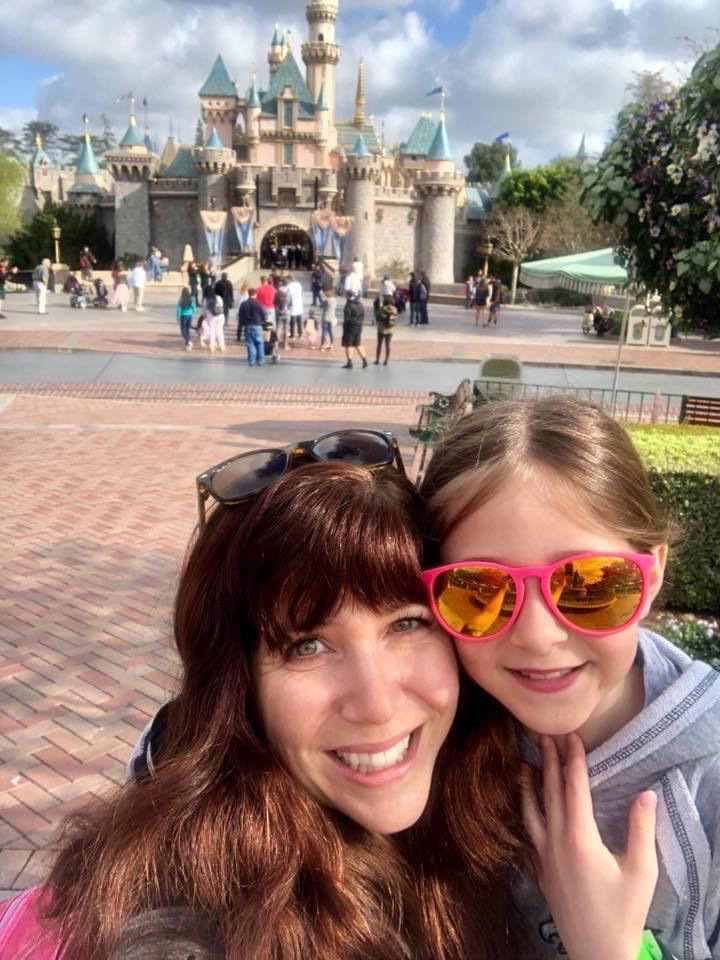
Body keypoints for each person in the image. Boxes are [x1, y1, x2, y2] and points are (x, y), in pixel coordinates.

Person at [0, 444, 663, 960]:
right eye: (306, 646)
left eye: (408, 624)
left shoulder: (495, 814)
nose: (374, 704)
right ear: (240, 685)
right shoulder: (174, 919)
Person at [419, 395, 720, 960]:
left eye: (589, 585)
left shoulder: (711, 775)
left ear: (650, 577)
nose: (536, 635)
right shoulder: (431, 726)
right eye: (479, 591)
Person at [237, 287, 265, 366]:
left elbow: (240, 315)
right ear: (255, 294)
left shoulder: (244, 303)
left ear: (248, 294)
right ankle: (260, 360)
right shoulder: (258, 303)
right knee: (259, 343)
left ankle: (251, 361)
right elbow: (263, 314)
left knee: (250, 344)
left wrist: (241, 325)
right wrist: (264, 323)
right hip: (257, 324)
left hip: (247, 325)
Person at [341, 292, 368, 369]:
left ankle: (349, 362)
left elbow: (347, 318)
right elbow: (363, 316)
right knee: (358, 343)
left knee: (349, 344)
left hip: (350, 327)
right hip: (359, 326)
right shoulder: (360, 304)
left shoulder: (348, 305)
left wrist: (345, 327)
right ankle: (364, 360)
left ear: (347, 296)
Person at [374, 294, 397, 366]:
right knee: (388, 345)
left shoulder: (381, 309)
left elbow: (377, 318)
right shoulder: (394, 309)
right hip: (390, 329)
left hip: (381, 329)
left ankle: (377, 360)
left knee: (379, 345)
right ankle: (386, 360)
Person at [286, 273, 304, 341]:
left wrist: (287, 304)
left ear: (289, 279)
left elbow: (288, 296)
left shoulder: (289, 286)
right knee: (299, 320)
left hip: (292, 304)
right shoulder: (299, 284)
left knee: (292, 321)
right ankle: (300, 334)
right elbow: (301, 293)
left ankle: (292, 335)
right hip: (299, 303)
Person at [319, 285, 336, 351]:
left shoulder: (327, 300)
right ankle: (331, 345)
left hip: (325, 318)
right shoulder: (334, 300)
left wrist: (321, 296)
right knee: (330, 331)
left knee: (324, 332)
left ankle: (322, 345)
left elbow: (321, 305)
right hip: (331, 318)